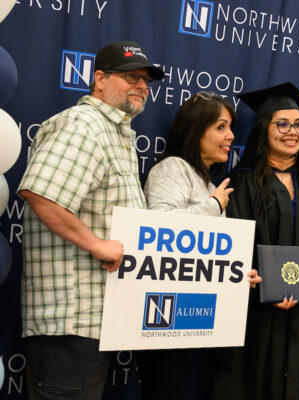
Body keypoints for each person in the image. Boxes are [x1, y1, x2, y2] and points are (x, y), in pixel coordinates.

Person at [17, 41, 164, 399]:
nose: (141, 86)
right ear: (99, 79)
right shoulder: (84, 124)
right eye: (131, 76)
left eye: (145, 80)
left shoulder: (116, 134)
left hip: (94, 321)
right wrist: (97, 244)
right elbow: (41, 193)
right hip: (71, 322)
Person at [211, 82, 299, 400]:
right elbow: (233, 249)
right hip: (256, 312)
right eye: (282, 124)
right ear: (264, 129)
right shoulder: (243, 182)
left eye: (298, 124)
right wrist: (264, 286)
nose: (292, 132)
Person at [136, 91, 262, 399]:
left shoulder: (207, 182)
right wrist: (214, 205)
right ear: (196, 129)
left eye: (230, 127)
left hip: (190, 317)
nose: (231, 135)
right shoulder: (173, 168)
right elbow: (160, 228)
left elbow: (209, 254)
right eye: (221, 127)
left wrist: (237, 275)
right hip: (162, 316)